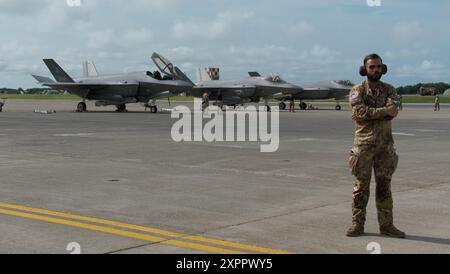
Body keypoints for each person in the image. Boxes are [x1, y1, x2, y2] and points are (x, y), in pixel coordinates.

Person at [347, 53, 405, 238]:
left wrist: (371, 113)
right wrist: (382, 111)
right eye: (372, 67)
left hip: (385, 147)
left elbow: (393, 111)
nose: (376, 70)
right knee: (360, 188)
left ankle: (387, 226)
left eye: (379, 66)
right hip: (363, 147)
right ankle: (357, 224)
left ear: (383, 68)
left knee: (384, 187)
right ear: (364, 69)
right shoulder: (357, 90)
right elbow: (359, 111)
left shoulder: (390, 89)